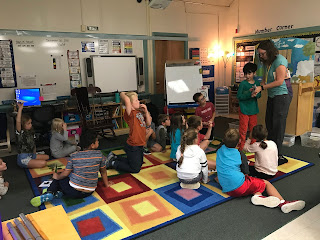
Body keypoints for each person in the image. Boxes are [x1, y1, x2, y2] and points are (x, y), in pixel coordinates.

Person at [216, 128, 305, 213]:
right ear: (239, 141)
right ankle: (283, 203)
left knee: (254, 184)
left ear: (223, 140)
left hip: (227, 189)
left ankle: (258, 196)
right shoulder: (240, 154)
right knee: (266, 183)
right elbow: (245, 171)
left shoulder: (219, 149)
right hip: (239, 186)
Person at [30, 130, 113, 207]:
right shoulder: (99, 155)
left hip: (72, 192)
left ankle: (50, 192)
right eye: (97, 140)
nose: (98, 141)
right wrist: (107, 184)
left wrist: (56, 177)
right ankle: (59, 193)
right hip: (89, 191)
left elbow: (65, 174)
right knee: (68, 178)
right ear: (92, 145)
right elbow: (103, 172)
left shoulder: (74, 156)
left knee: (61, 178)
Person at [252, 40, 292, 165]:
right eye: (260, 54)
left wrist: (262, 88)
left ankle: (278, 155)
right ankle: (270, 151)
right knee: (269, 123)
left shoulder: (280, 60)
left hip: (282, 95)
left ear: (269, 51)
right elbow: (264, 80)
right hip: (272, 95)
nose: (261, 56)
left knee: (278, 125)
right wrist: (256, 88)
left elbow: (279, 81)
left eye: (263, 53)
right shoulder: (266, 63)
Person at [107, 92, 151, 173]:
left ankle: (115, 157)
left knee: (138, 163)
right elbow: (126, 99)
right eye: (136, 100)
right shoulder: (130, 113)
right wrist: (123, 93)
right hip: (133, 145)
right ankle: (113, 162)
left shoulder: (139, 112)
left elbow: (148, 123)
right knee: (135, 169)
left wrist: (146, 111)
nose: (139, 102)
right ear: (130, 104)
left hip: (140, 144)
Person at [16, 102, 49, 168]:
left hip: (31, 155)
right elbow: (18, 121)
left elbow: (33, 145)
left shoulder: (31, 132)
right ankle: (29, 163)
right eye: (28, 124)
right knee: (44, 163)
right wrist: (20, 109)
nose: (30, 125)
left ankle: (33, 162)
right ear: (23, 125)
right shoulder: (21, 132)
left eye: (30, 123)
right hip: (23, 158)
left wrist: (34, 154)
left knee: (47, 157)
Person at [237, 62, 261, 151]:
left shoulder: (257, 83)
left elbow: (259, 96)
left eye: (249, 73)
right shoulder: (243, 84)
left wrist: (255, 94)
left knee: (253, 129)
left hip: (253, 110)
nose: (247, 76)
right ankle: (241, 147)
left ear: (254, 73)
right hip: (244, 109)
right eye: (245, 73)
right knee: (243, 130)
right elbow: (239, 97)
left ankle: (253, 146)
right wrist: (248, 93)